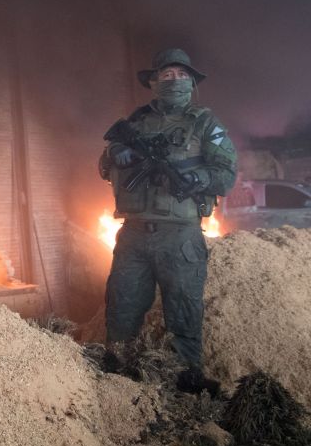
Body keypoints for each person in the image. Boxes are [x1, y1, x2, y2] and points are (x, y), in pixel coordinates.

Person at [98, 48, 237, 393]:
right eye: (166, 74)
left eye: (180, 74)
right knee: (121, 308)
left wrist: (197, 179)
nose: (173, 80)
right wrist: (115, 153)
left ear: (192, 82)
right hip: (133, 236)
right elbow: (104, 166)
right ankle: (119, 384)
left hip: (180, 238)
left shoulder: (205, 123)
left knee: (184, 314)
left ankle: (186, 386)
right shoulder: (135, 122)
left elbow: (226, 175)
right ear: (154, 81)